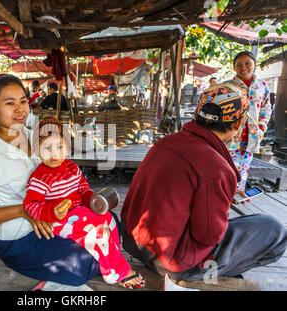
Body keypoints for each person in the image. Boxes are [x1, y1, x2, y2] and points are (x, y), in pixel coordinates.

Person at [120, 83, 287, 282]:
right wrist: (220, 201)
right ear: (238, 122)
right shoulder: (217, 168)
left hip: (133, 242)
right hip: (172, 263)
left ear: (198, 114)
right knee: (274, 230)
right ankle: (210, 275)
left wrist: (220, 194)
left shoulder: (165, 143)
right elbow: (207, 236)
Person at [0, 74, 103, 287]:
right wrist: (25, 210)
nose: (19, 110)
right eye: (10, 103)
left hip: (55, 222)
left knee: (108, 224)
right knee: (80, 263)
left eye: (23, 101)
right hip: (20, 239)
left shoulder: (37, 137)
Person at [23, 117, 146, 289]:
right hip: (59, 221)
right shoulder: (40, 177)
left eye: (59, 146)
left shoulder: (72, 167)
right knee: (96, 229)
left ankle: (111, 259)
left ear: (67, 147)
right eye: (47, 148)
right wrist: (52, 212)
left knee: (109, 218)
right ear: (37, 150)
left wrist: (91, 199)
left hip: (80, 212)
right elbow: (31, 204)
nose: (54, 153)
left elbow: (83, 188)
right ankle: (115, 272)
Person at [227, 50, 272, 191]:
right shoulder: (226, 86)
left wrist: (261, 128)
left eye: (247, 63)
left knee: (243, 172)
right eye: (239, 64)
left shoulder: (262, 86)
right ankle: (223, 203)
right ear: (234, 67)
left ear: (255, 64)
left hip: (251, 138)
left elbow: (266, 109)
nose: (243, 67)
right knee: (226, 171)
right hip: (229, 138)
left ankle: (237, 198)